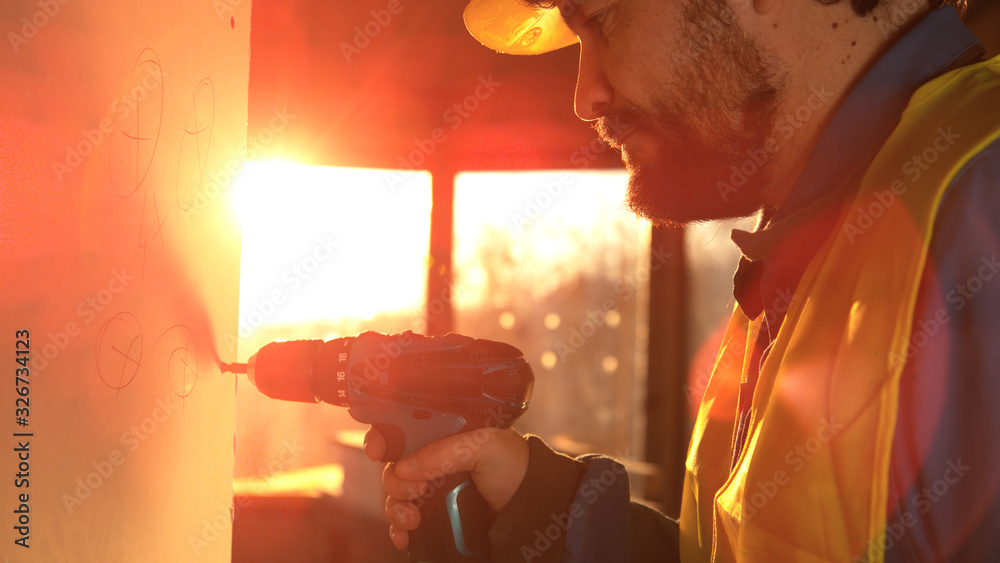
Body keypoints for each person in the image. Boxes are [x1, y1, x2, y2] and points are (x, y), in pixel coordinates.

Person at [365, 0, 1000, 560]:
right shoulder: (820, 243)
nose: (585, 98)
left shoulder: (980, 195)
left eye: (602, 18)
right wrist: (549, 515)